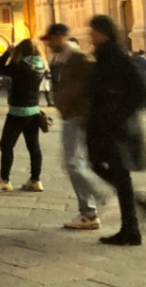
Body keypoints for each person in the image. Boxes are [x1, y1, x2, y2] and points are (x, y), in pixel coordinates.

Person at [86, 15, 146, 246]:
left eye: (94, 31)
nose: (90, 35)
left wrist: (117, 112)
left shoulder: (118, 57)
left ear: (104, 33)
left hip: (117, 127)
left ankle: (131, 229)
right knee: (99, 166)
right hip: (105, 125)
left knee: (118, 173)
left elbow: (141, 91)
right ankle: (139, 212)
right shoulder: (103, 56)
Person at [42, 25, 103, 231]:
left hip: (77, 116)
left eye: (50, 39)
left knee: (73, 163)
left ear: (60, 38)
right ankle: (91, 209)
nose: (48, 44)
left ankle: (93, 208)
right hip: (72, 115)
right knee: (74, 163)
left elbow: (93, 83)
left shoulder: (78, 58)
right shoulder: (65, 59)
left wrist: (82, 107)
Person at [0, 41, 46, 194]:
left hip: (18, 112)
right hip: (33, 111)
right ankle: (35, 180)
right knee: (33, 146)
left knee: (6, 145)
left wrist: (8, 52)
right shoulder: (41, 65)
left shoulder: (20, 66)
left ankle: (4, 180)